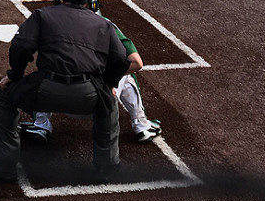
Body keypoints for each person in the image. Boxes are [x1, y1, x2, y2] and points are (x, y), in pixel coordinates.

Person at [0, 0, 130, 183]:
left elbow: (22, 46)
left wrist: (14, 75)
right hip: (87, 93)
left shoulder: (43, 15)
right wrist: (110, 84)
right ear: (85, 2)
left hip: (46, 89)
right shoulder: (103, 24)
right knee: (109, 104)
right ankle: (108, 168)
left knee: (1, 98)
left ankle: (3, 164)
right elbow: (121, 59)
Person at [21, 21, 162, 145]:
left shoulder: (55, 22)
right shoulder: (106, 25)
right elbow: (137, 63)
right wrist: (109, 81)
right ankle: (141, 125)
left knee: (48, 69)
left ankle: (41, 124)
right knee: (124, 71)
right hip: (95, 101)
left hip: (58, 99)